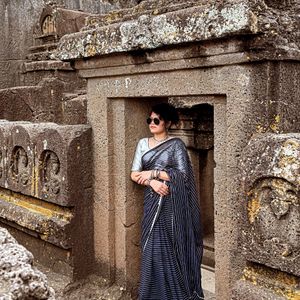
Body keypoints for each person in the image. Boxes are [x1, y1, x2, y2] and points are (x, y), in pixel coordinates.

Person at [131, 103, 204, 300]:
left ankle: (175, 295)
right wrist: (152, 182)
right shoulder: (143, 144)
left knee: (171, 249)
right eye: (150, 120)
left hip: (172, 207)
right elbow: (134, 174)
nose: (152, 124)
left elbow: (183, 176)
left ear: (168, 122)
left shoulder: (176, 145)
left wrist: (154, 172)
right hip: (152, 201)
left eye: (157, 120)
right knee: (151, 248)